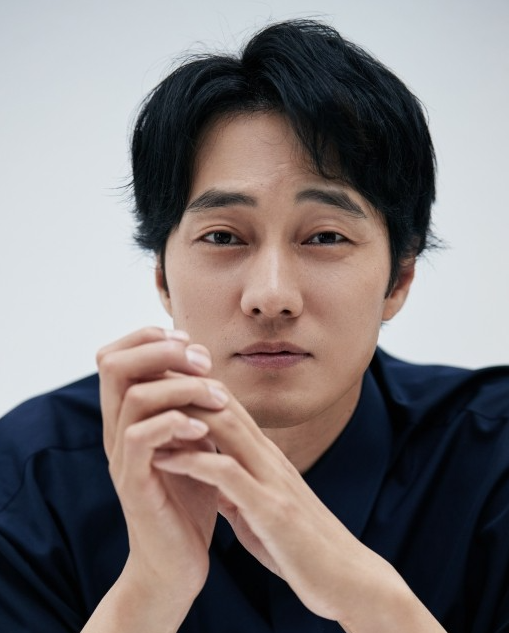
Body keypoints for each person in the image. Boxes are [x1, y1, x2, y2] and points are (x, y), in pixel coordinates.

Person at [0, 19, 508, 633]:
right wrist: (152, 588)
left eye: (325, 236)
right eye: (223, 237)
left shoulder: (495, 459)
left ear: (399, 279)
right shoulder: (31, 476)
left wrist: (367, 597)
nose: (271, 297)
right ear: (162, 276)